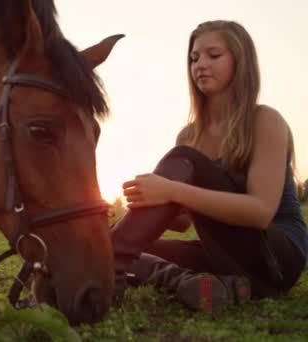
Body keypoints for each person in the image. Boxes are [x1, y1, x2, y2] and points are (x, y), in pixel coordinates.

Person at [111, 20, 307, 313]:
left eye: (213, 55)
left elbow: (260, 212)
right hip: (226, 259)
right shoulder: (189, 135)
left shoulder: (265, 120)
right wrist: (150, 202)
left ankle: (108, 257)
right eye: (194, 58)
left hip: (277, 258)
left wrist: (173, 190)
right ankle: (199, 283)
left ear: (240, 61)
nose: (200, 64)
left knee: (116, 246)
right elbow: (183, 223)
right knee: (133, 246)